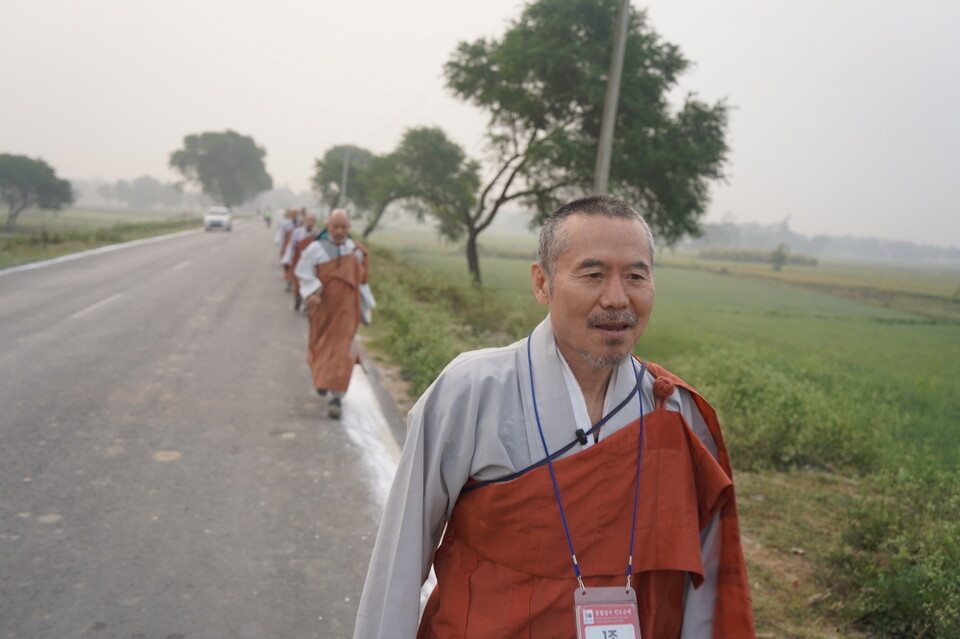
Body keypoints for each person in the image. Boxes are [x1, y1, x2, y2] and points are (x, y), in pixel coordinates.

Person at [354, 195, 755, 638]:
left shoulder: (674, 411)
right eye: (593, 275)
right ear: (542, 283)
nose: (617, 298)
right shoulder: (473, 391)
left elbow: (705, 589)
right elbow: (400, 558)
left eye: (636, 276)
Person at [294, 209, 370, 419]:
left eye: (343, 227)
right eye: (335, 227)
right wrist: (312, 293)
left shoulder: (356, 251)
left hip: (348, 312)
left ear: (349, 228)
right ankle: (322, 379)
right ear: (328, 227)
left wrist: (367, 309)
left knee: (343, 351)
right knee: (320, 347)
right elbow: (303, 273)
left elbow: (362, 283)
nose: (339, 231)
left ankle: (336, 398)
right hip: (323, 310)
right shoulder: (316, 249)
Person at [284, 211, 317, 311]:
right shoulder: (297, 232)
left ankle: (306, 304)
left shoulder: (317, 234)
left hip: (310, 263)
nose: (310, 223)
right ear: (305, 221)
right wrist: (287, 259)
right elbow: (291, 246)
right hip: (298, 261)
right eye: (308, 220)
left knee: (309, 283)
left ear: (315, 222)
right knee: (297, 283)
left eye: (312, 221)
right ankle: (297, 299)